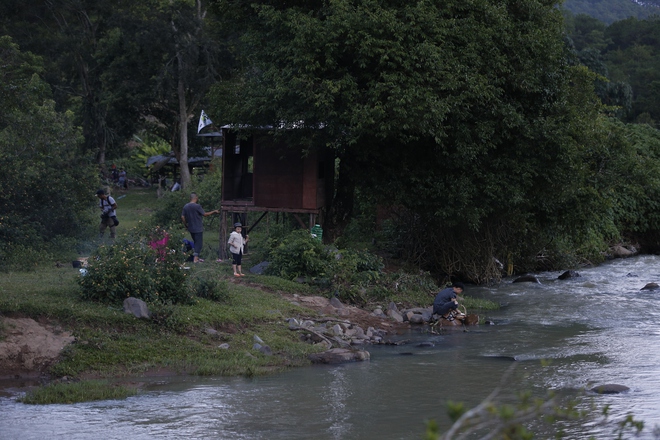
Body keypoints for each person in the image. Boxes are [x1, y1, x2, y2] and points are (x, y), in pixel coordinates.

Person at [181, 193, 219, 263]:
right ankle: (195, 259)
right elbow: (205, 214)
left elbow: (182, 217)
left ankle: (196, 257)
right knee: (199, 244)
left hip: (191, 228)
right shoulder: (197, 206)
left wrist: (185, 224)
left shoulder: (185, 206)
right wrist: (214, 211)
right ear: (196, 198)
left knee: (195, 242)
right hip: (198, 227)